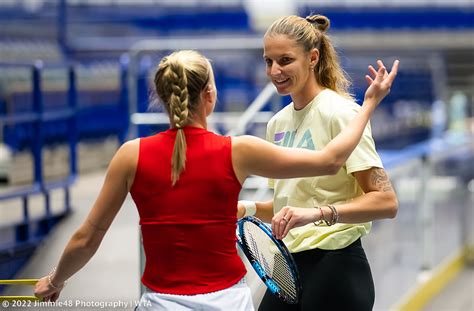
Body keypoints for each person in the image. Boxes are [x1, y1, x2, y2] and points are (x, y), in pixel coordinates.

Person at [33, 49, 397, 310]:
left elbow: (87, 237)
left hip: (160, 302)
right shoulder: (237, 151)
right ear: (210, 96)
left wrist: (56, 280)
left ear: (162, 97)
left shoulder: (131, 154)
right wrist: (368, 105)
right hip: (228, 301)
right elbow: (331, 161)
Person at [236, 14, 400, 311]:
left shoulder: (342, 114)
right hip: (286, 265)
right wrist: (245, 208)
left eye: (285, 60)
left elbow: (386, 202)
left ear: (312, 58)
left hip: (336, 265)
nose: (275, 71)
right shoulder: (277, 124)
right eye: (268, 61)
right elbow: (287, 205)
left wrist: (319, 214)